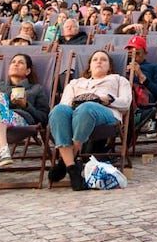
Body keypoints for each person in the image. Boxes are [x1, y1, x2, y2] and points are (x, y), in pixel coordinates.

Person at [47, 49, 131, 188]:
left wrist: (108, 100)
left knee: (87, 107)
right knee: (58, 110)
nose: (99, 61)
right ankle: (72, 169)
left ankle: (66, 160)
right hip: (77, 114)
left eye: (103, 59)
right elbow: (65, 104)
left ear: (109, 66)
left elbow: (126, 103)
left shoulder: (119, 80)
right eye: (95, 59)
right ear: (89, 66)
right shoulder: (75, 83)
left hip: (106, 113)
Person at [0, 52, 48, 195]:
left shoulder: (36, 89)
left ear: (28, 71)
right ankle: (2, 152)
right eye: (13, 62)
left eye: (20, 62)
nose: (16, 64)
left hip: (19, 120)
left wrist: (25, 105)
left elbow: (43, 117)